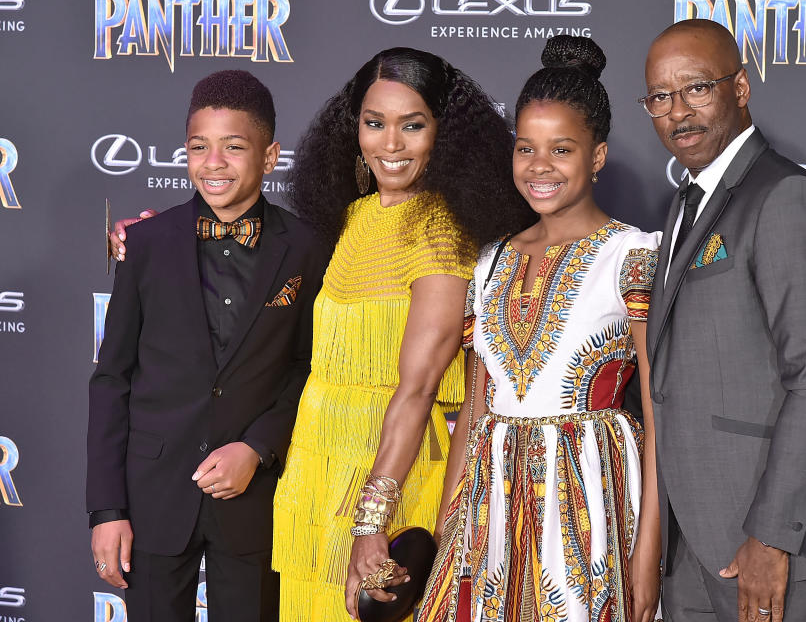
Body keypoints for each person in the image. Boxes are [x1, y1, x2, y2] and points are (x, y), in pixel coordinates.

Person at [269, 48, 535, 621]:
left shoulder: (442, 231)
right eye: (375, 123)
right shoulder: (356, 217)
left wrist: (372, 525)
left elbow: (416, 391)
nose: (390, 145)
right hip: (318, 465)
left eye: (413, 125)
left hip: (393, 477)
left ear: (444, 135)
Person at [634, 19, 806, 622]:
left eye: (696, 88)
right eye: (660, 97)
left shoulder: (785, 197)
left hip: (772, 544)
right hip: (691, 539)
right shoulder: (691, 199)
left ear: (740, 87)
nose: (677, 112)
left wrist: (770, 539)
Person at [418, 35, 662, 622]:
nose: (539, 167)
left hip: (592, 508)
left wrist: (647, 551)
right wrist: (451, 525)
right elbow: (476, 407)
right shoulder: (491, 260)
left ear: (597, 157)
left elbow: (659, 415)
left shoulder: (634, 254)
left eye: (562, 149)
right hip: (490, 507)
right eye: (526, 148)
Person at [87, 70, 328, 621]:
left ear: (270, 157)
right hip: (152, 497)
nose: (213, 163)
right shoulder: (145, 244)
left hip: (254, 499)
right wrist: (106, 509)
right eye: (199, 147)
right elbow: (112, 378)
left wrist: (257, 447)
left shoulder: (307, 249)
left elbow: (307, 368)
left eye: (234, 147)